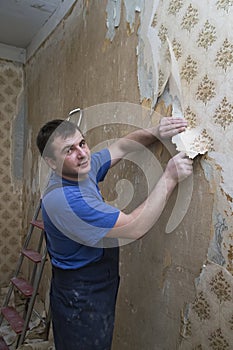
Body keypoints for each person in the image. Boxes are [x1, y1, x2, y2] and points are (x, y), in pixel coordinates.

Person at [36, 116, 193, 350]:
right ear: (51, 162)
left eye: (82, 143)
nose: (82, 154)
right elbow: (134, 227)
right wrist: (169, 177)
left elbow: (120, 147)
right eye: (69, 150)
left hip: (97, 278)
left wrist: (156, 131)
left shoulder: (79, 169)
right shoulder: (67, 200)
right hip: (80, 294)